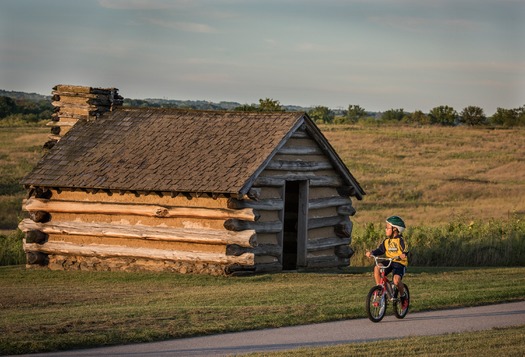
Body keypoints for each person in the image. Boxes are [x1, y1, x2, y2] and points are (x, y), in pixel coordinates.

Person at [365, 215, 409, 309]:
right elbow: (380, 250)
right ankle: (379, 289)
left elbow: (406, 249)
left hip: (399, 263)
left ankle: (403, 297)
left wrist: (404, 254)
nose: (385, 229)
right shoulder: (386, 241)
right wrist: (372, 253)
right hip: (389, 261)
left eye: (387, 227)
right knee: (377, 267)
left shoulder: (401, 241)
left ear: (394, 229)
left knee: (396, 281)